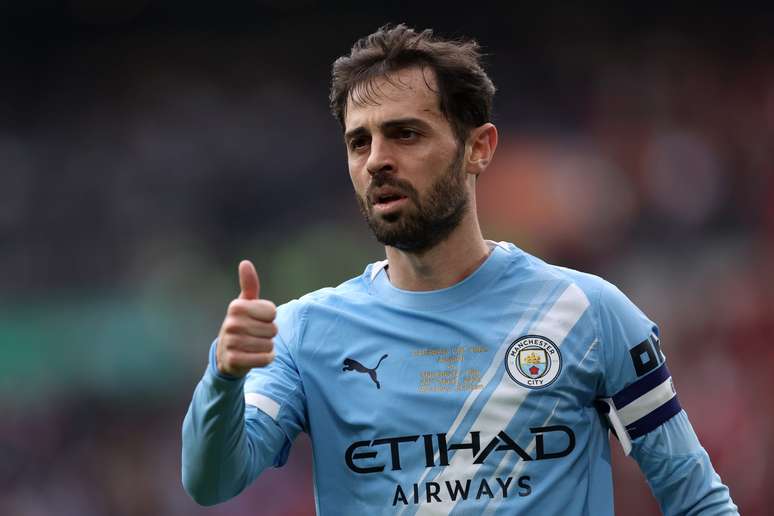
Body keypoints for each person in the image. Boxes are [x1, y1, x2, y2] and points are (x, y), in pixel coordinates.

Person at [182, 24, 738, 515]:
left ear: (479, 148)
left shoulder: (587, 314)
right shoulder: (302, 334)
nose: (376, 159)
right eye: (359, 141)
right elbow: (211, 482)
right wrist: (224, 377)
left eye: (405, 133)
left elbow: (696, 498)